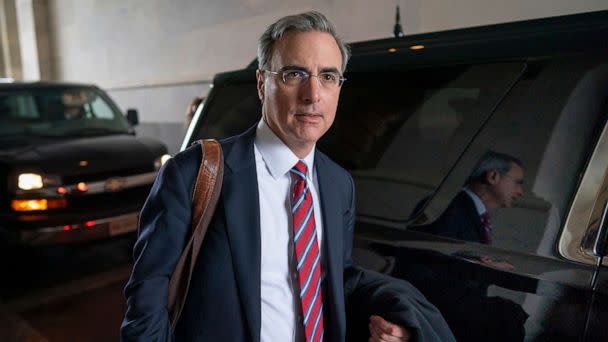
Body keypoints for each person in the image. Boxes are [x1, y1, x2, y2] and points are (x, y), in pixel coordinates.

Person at [121, 11, 454, 342]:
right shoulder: (193, 173)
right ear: (261, 83)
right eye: (294, 74)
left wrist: (398, 317)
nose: (312, 94)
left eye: (328, 76)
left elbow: (334, 279)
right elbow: (147, 301)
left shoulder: (338, 184)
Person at [416, 150, 524, 244]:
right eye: (517, 182)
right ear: (493, 176)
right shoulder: (446, 207)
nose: (520, 192)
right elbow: (433, 258)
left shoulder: (465, 209)